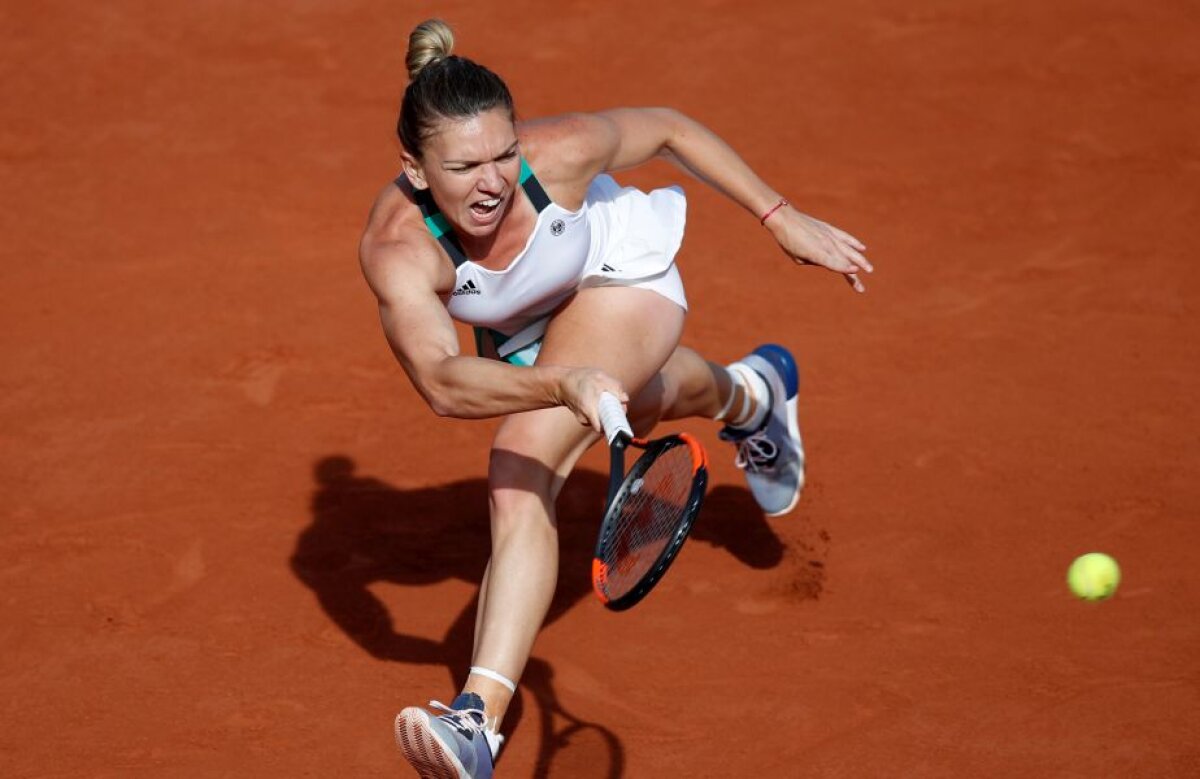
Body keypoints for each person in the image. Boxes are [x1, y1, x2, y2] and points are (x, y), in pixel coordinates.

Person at [359, 19, 872, 779]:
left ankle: (477, 721)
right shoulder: (399, 248)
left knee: (520, 459)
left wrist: (780, 217)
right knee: (645, 398)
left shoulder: (560, 154)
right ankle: (753, 393)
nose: (494, 180)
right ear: (415, 166)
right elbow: (439, 380)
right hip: (529, 330)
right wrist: (560, 380)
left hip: (619, 274)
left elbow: (668, 129)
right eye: (466, 165)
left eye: (505, 154)